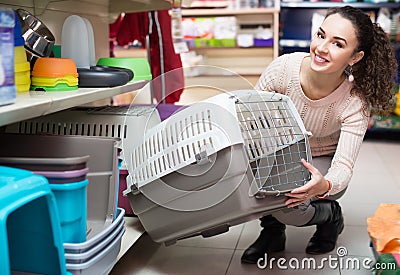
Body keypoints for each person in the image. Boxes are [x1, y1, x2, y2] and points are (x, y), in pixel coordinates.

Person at [241, 5, 398, 264]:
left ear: (355, 57)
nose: (322, 48)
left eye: (337, 44)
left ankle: (330, 216)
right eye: (321, 35)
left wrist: (324, 185)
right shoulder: (283, 69)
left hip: (319, 159)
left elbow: (344, 167)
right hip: (279, 149)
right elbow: (251, 117)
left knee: (290, 208)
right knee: (254, 188)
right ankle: (272, 234)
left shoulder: (354, 101)